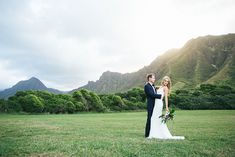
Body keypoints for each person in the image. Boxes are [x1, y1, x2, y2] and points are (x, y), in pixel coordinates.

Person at [144, 73, 162, 138]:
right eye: (153, 78)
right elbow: (151, 94)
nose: (154, 79)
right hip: (150, 104)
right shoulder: (147, 86)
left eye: (154, 78)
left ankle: (153, 132)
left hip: (155, 105)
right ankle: (147, 134)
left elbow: (155, 91)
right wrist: (161, 96)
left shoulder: (153, 86)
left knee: (154, 118)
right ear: (149, 78)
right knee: (149, 118)